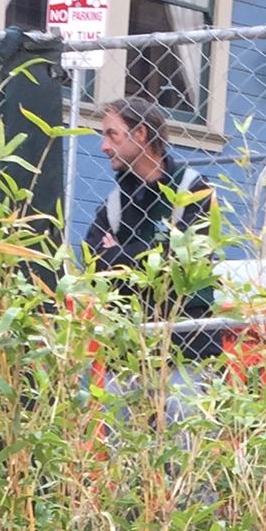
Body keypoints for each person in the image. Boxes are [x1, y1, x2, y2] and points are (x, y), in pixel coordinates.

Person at [83, 95, 220, 352]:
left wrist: (118, 254)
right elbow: (92, 263)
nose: (104, 146)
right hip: (127, 346)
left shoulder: (193, 190)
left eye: (112, 135)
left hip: (186, 342)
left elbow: (182, 262)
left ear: (140, 134)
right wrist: (153, 254)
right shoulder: (115, 202)